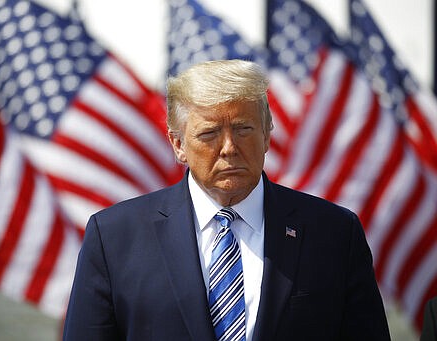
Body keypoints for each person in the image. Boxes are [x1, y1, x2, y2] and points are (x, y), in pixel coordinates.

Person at [62, 59, 391, 340]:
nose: (230, 147)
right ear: (178, 145)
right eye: (209, 134)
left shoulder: (333, 233)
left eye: (244, 128)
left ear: (267, 133)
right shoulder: (114, 238)